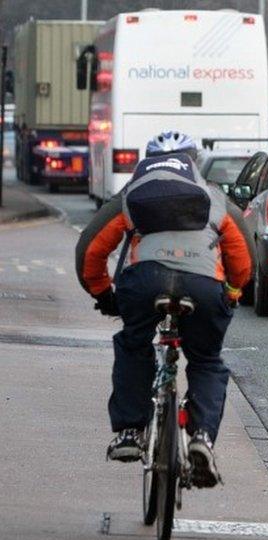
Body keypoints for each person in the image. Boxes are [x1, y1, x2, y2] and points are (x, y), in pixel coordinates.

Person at [75, 131, 254, 487]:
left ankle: (129, 431)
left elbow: (90, 250)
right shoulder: (214, 197)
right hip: (203, 286)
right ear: (194, 164)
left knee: (133, 343)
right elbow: (242, 254)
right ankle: (202, 437)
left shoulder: (132, 194)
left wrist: (102, 293)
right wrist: (232, 292)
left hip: (145, 282)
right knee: (205, 360)